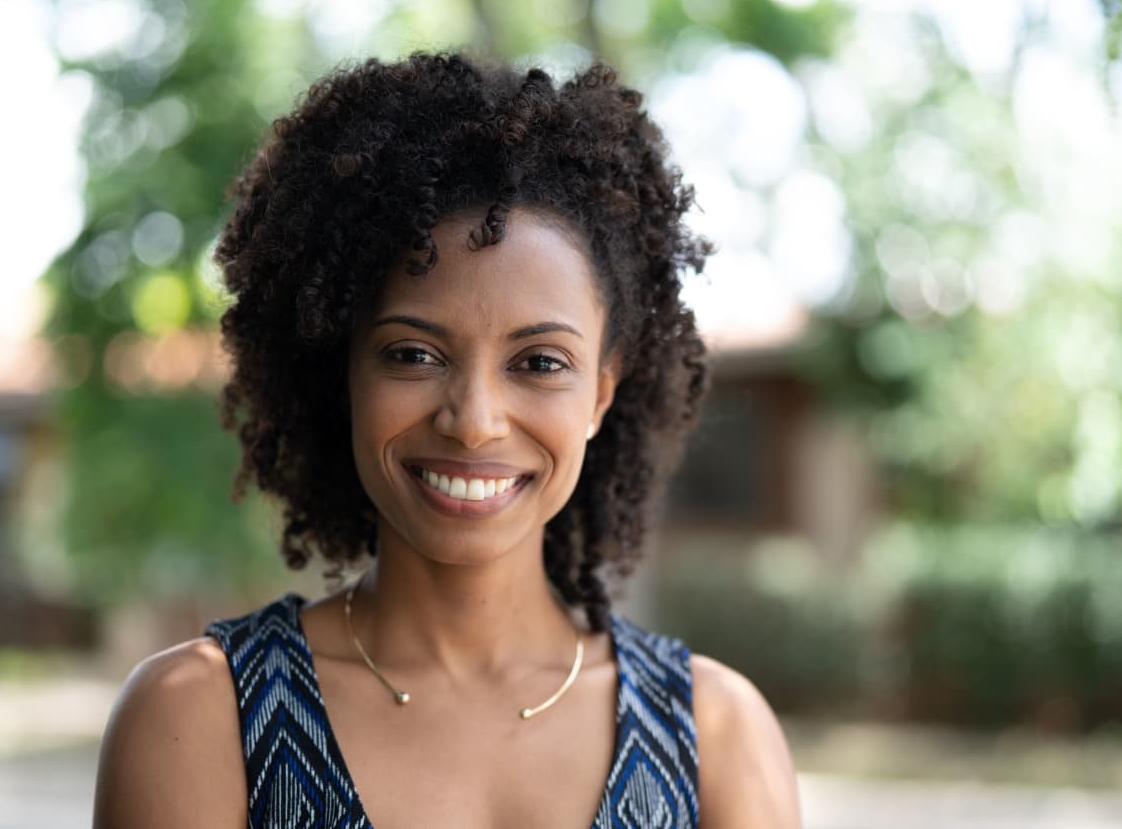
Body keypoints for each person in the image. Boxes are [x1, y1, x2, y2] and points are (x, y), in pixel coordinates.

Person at [92, 52, 800, 828]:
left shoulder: (716, 738)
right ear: (344, 371)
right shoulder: (200, 721)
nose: (474, 419)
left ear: (601, 392)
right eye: (413, 354)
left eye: (539, 363)